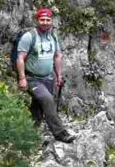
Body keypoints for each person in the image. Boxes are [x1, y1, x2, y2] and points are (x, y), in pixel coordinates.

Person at [15, 8, 76, 143]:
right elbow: (20, 58)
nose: (45, 22)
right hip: (32, 78)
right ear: (37, 20)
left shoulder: (53, 36)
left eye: (48, 20)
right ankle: (61, 134)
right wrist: (22, 78)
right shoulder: (29, 36)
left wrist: (59, 76)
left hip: (48, 78)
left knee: (38, 106)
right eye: (42, 20)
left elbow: (57, 56)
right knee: (47, 100)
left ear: (51, 21)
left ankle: (30, 135)